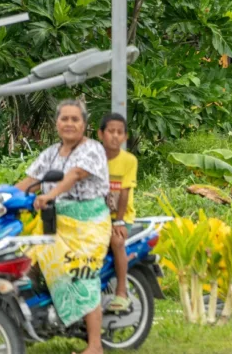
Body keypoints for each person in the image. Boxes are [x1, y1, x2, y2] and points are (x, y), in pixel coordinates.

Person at [16, 100, 110, 354]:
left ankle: (95, 345)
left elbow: (75, 176)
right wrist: (0, 199)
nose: (69, 124)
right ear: (56, 123)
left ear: (84, 124)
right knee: (25, 261)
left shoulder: (92, 150)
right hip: (56, 222)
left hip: (88, 225)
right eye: (64, 119)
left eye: (75, 119)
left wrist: (49, 195)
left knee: (82, 274)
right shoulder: (51, 153)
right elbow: (29, 181)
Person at [98, 113, 138, 312]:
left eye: (119, 132)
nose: (114, 136)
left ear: (124, 137)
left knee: (116, 241)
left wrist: (119, 222)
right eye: (110, 131)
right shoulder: (94, 158)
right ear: (101, 134)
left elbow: (124, 192)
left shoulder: (128, 160)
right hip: (97, 216)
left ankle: (122, 292)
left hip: (121, 217)